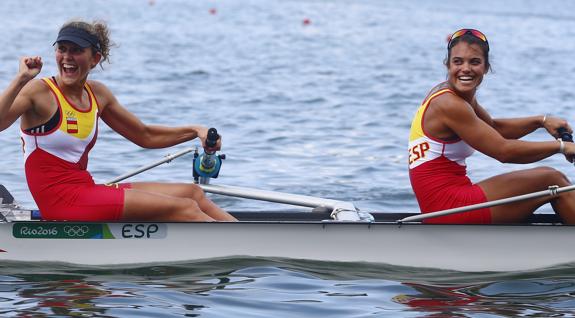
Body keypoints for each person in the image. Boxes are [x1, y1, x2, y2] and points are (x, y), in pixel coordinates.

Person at [0, 20, 237, 222]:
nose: (67, 57)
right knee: (184, 208)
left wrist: (196, 130)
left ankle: (252, 240)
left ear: (95, 59)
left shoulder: (98, 94)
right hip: (60, 201)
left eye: (76, 50)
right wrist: (20, 79)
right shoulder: (38, 92)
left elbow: (145, 135)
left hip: (85, 189)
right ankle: (242, 247)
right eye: (62, 49)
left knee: (192, 193)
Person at [408, 28, 575, 224]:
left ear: (486, 67)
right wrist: (561, 146)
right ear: (448, 65)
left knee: (550, 177)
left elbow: (494, 128)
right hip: (446, 208)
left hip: (449, 201)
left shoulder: (456, 96)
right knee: (551, 179)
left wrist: (542, 121)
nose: (466, 69)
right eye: (458, 61)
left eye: (475, 62)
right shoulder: (449, 104)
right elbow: (504, 152)